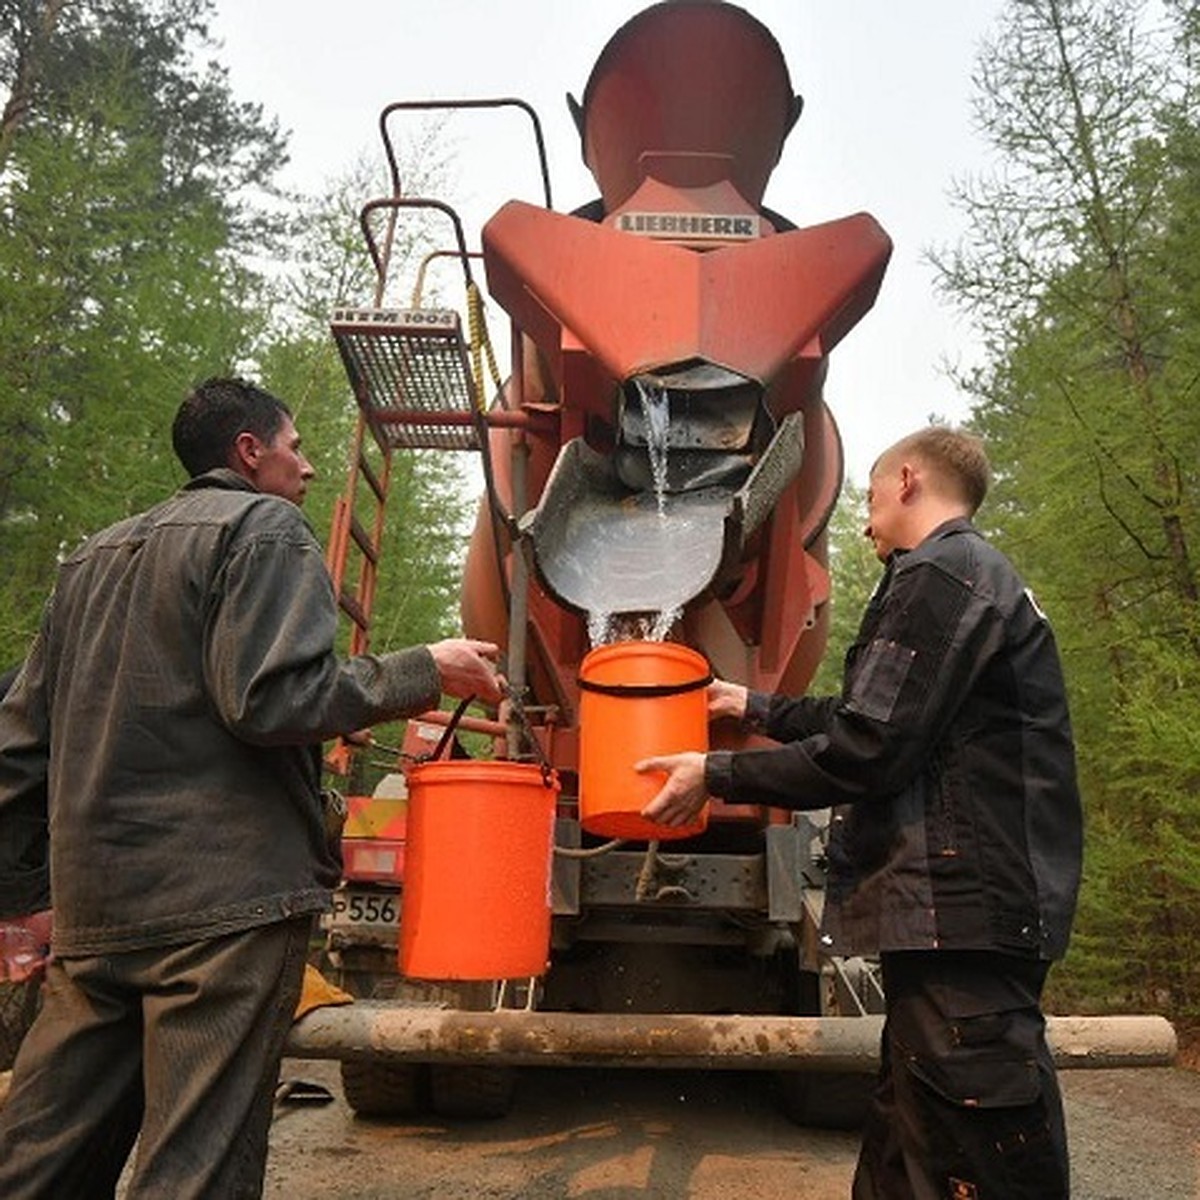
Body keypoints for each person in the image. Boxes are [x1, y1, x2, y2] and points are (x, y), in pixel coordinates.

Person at [0, 377, 504, 1199]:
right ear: (249, 452)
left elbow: (17, 747)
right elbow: (273, 698)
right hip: (223, 918)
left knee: (39, 1165)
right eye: (297, 447)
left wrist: (23, 899)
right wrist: (426, 669)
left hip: (93, 914)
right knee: (192, 1170)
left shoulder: (90, 559)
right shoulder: (266, 528)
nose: (307, 469)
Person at [638, 426, 1083, 1199]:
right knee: (911, 1144)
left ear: (908, 480)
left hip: (961, 917)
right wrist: (758, 706)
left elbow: (869, 747)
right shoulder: (970, 577)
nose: (866, 517)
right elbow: (872, 717)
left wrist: (716, 773)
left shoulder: (940, 574)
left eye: (871, 496)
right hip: (959, 918)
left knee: (971, 1149)